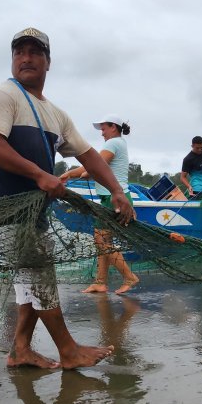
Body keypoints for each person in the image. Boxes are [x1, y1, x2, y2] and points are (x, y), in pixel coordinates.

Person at [0, 27, 131, 370]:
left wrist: (117, 191)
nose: (26, 58)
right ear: (13, 59)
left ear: (48, 62)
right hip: (4, 211)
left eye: (35, 52)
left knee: (30, 282)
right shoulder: (1, 96)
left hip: (35, 213)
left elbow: (88, 155)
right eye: (19, 52)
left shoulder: (54, 114)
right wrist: (40, 174)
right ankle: (68, 350)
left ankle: (20, 350)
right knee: (39, 276)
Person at [61, 115, 140, 295]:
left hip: (114, 199)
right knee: (103, 241)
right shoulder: (120, 143)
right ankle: (100, 282)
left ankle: (129, 277)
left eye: (104, 128)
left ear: (114, 127)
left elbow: (96, 166)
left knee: (102, 241)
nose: (102, 133)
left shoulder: (112, 144)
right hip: (112, 197)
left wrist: (83, 173)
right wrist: (68, 174)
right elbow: (92, 165)